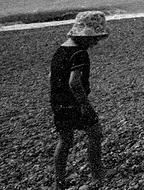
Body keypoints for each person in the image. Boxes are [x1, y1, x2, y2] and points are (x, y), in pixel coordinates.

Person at [50, 11, 112, 190]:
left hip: (58, 102)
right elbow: (74, 82)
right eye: (94, 38)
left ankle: (59, 183)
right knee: (94, 132)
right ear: (84, 35)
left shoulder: (60, 50)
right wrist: (85, 105)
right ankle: (97, 173)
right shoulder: (79, 54)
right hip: (75, 103)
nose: (95, 43)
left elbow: (51, 77)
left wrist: (57, 99)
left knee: (65, 140)